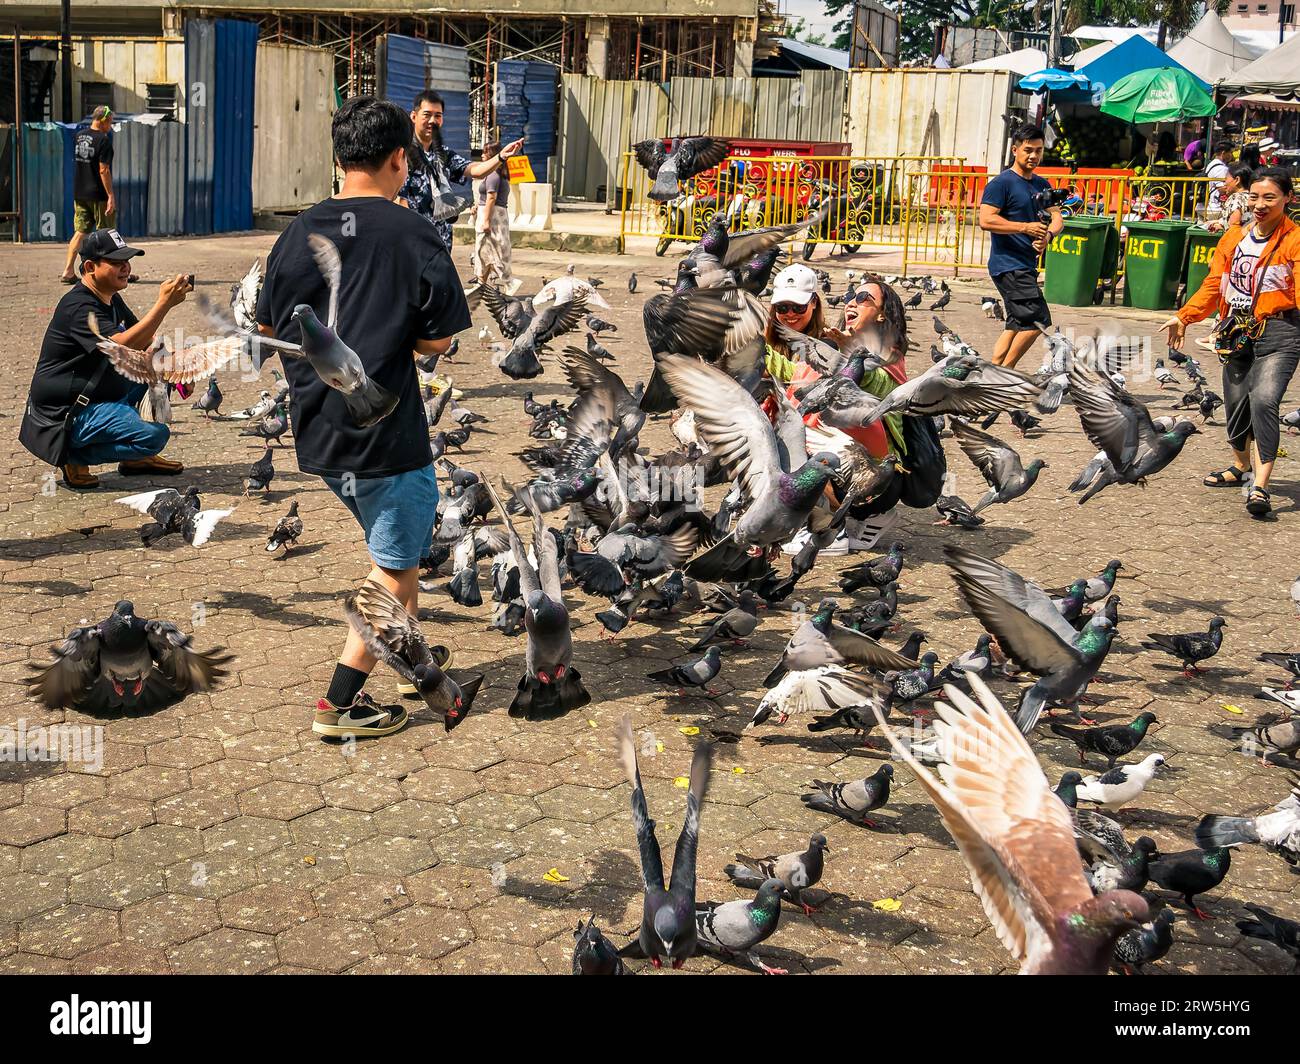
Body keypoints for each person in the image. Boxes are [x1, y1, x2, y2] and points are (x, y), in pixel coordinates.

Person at [255, 96, 471, 739]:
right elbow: (436, 343)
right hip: (389, 433)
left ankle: (411, 659)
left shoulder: (295, 232)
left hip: (318, 430)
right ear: (401, 159)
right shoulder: (415, 233)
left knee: (392, 547)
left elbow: (268, 328)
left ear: (338, 158)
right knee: (397, 567)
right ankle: (338, 705)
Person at [1162, 167, 1300, 519]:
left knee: (1264, 400)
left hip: (1280, 332)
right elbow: (1214, 284)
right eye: (1255, 196)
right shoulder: (1234, 239)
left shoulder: (1294, 241)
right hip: (1236, 331)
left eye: (1270, 197)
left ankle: (1260, 486)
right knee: (1235, 403)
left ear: (1287, 199)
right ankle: (1240, 466)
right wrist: (1185, 316)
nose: (1260, 204)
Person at [23, 228, 190, 489]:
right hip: (66, 413)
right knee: (155, 436)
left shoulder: (111, 299)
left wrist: (179, 373)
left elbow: (145, 340)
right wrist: (164, 304)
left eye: (126, 261)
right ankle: (73, 456)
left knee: (160, 376)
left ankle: (135, 459)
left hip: (95, 392)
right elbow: (124, 346)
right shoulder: (78, 307)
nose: (125, 267)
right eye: (116, 262)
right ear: (90, 267)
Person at [978, 122, 1063, 369]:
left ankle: (993, 372)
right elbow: (986, 219)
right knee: (1038, 319)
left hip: (1025, 265)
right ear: (1015, 150)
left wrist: (1049, 236)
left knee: (1016, 322)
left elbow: (1057, 217)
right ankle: (1006, 373)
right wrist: (1024, 227)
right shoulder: (1001, 183)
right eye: (1028, 150)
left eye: (1038, 150)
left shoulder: (1041, 184)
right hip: (1007, 265)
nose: (1034, 155)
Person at [398, 90, 523, 254]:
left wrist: (501, 156)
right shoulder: (401, 153)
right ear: (413, 116)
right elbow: (399, 200)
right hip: (414, 240)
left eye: (438, 116)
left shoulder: (444, 154)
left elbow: (476, 171)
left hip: (441, 240)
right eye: (427, 115)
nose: (432, 121)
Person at [61, 106, 116, 284]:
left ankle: (68, 271)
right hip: (98, 195)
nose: (111, 125)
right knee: (107, 234)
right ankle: (114, 273)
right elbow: (103, 170)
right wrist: (110, 196)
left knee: (80, 232)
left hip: (80, 193)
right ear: (103, 120)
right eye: (110, 121)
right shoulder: (104, 141)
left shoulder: (80, 136)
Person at [472, 139, 513, 288]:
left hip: (492, 215)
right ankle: (481, 283)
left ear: (493, 155)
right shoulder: (498, 173)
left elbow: (491, 198)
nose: (482, 155)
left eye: (485, 152)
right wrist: (476, 206)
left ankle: (509, 283)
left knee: (490, 250)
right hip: (494, 214)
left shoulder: (493, 175)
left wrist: (486, 221)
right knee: (487, 251)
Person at [1207, 163, 1253, 232]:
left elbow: (1234, 226)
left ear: (1237, 180)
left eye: (1226, 179)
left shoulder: (1236, 198)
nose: (1224, 183)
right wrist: (1220, 223)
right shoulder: (1251, 196)